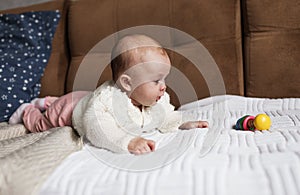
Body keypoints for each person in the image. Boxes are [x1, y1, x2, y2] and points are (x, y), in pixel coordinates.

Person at [9, 34, 208, 155]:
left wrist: (182, 122)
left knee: (65, 100)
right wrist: (127, 141)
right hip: (71, 109)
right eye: (156, 81)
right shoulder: (107, 101)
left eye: (164, 79)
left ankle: (48, 101)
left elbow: (165, 114)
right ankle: (29, 108)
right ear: (127, 83)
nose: (163, 87)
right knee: (43, 124)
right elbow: (98, 129)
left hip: (84, 97)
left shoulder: (156, 97)